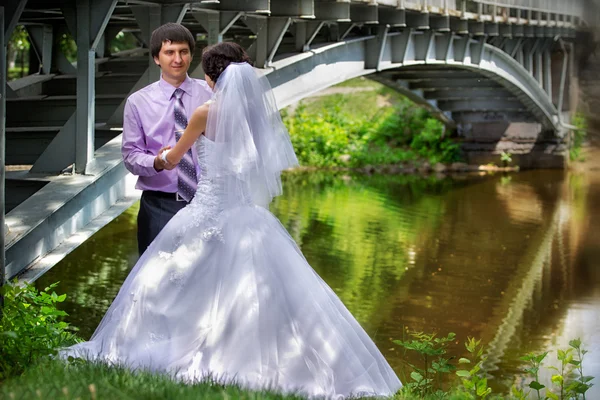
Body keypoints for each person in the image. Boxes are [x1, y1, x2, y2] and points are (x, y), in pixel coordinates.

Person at [63, 42, 402, 398]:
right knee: (268, 294)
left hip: (207, 209)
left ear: (210, 77)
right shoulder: (256, 116)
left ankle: (180, 349)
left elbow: (175, 158)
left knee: (166, 282)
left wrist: (161, 157)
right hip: (247, 213)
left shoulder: (203, 113)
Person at [121, 23, 213, 256]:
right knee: (154, 280)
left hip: (207, 202)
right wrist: (157, 162)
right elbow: (130, 156)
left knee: (206, 279)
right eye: (169, 52)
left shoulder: (211, 95)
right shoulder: (137, 102)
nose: (178, 59)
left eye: (183, 51)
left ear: (191, 55)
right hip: (159, 206)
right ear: (156, 58)